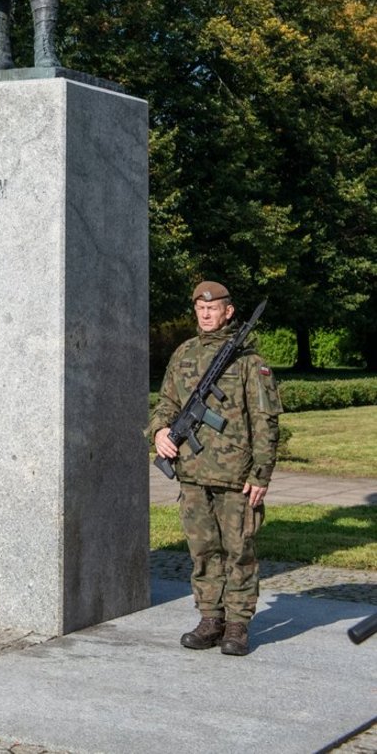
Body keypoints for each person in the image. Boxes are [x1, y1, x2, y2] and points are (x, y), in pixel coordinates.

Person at [150, 281, 281, 656]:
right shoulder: (184, 354)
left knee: (239, 550)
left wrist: (261, 474)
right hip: (191, 472)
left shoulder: (248, 363)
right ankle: (210, 618)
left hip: (236, 477)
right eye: (200, 309)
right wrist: (159, 431)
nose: (206, 314)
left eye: (214, 308)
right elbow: (167, 403)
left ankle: (237, 624)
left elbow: (265, 422)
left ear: (229, 311)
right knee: (203, 550)